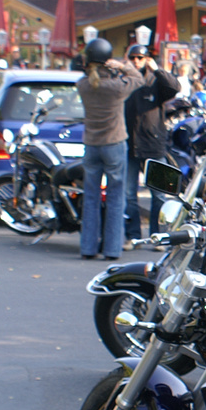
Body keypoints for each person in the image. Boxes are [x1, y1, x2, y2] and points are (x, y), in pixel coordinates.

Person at [77, 38, 142, 261]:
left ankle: (88, 247)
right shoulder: (116, 87)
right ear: (107, 61)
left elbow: (87, 77)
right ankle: (112, 249)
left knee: (91, 197)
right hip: (114, 144)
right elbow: (138, 78)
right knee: (116, 198)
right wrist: (122, 65)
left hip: (92, 144)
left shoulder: (83, 85)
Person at [123, 47, 181, 240]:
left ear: (147, 59)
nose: (136, 61)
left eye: (140, 57)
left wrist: (158, 70)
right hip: (130, 144)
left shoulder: (156, 80)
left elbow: (174, 87)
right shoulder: (125, 80)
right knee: (129, 194)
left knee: (159, 195)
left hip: (153, 144)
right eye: (132, 58)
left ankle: (157, 235)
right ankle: (133, 236)